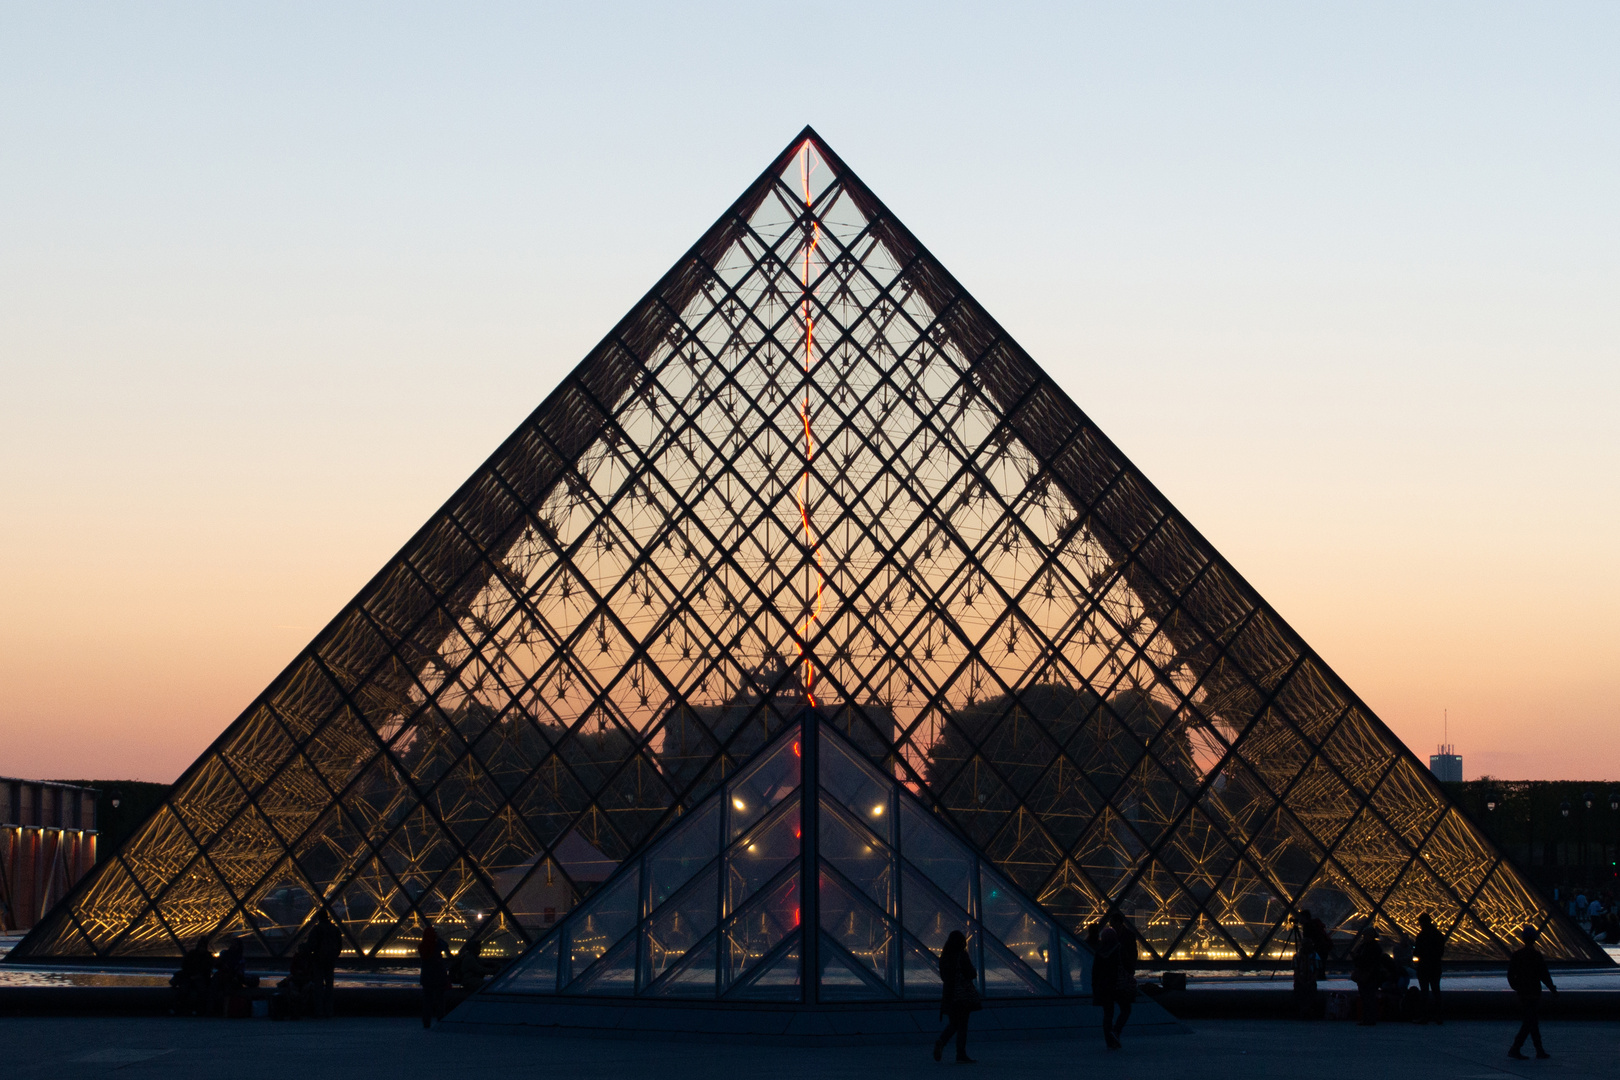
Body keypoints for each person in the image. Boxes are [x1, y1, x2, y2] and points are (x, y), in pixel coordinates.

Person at [1507, 925, 1557, 1060]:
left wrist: (1516, 987)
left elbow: (1510, 974)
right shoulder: (1536, 955)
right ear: (1534, 939)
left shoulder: (1517, 955)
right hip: (1534, 991)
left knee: (1532, 1020)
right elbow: (1544, 974)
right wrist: (1552, 988)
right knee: (1530, 1021)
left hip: (1523, 992)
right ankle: (1516, 1048)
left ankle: (1538, 1050)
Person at [932, 930, 980, 1064]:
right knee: (962, 1025)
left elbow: (944, 977)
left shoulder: (945, 957)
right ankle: (960, 1053)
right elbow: (970, 973)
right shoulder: (961, 955)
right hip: (962, 995)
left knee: (954, 1023)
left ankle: (942, 1041)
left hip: (949, 994)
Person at [1350, 926, 1392, 1026]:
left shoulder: (1371, 947)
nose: (1364, 937)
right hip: (1367, 974)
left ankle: (1369, 1018)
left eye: (1365, 935)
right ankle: (1367, 1018)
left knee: (1369, 997)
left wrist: (1357, 958)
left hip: (1370, 975)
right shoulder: (1370, 947)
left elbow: (1370, 961)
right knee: (1366, 997)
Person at [417, 925, 451, 1029]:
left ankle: (426, 1023)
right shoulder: (437, 946)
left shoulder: (421, 946)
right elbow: (446, 946)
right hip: (438, 977)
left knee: (427, 1002)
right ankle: (440, 1021)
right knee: (440, 1002)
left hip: (426, 977)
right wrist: (439, 938)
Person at [1412, 912, 1444, 1024]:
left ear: (1421, 923)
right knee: (1436, 991)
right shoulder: (1438, 935)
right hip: (1435, 966)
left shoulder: (1421, 935)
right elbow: (1441, 952)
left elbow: (1417, 952)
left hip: (1424, 966)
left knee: (1424, 992)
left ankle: (1424, 1016)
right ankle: (1438, 1016)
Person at [169, 937, 212, 1016]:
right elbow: (208, 969)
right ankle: (195, 1010)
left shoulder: (193, 954)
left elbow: (185, 966)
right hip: (195, 977)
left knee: (185, 990)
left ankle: (177, 1009)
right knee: (195, 990)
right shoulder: (206, 956)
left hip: (193, 977)